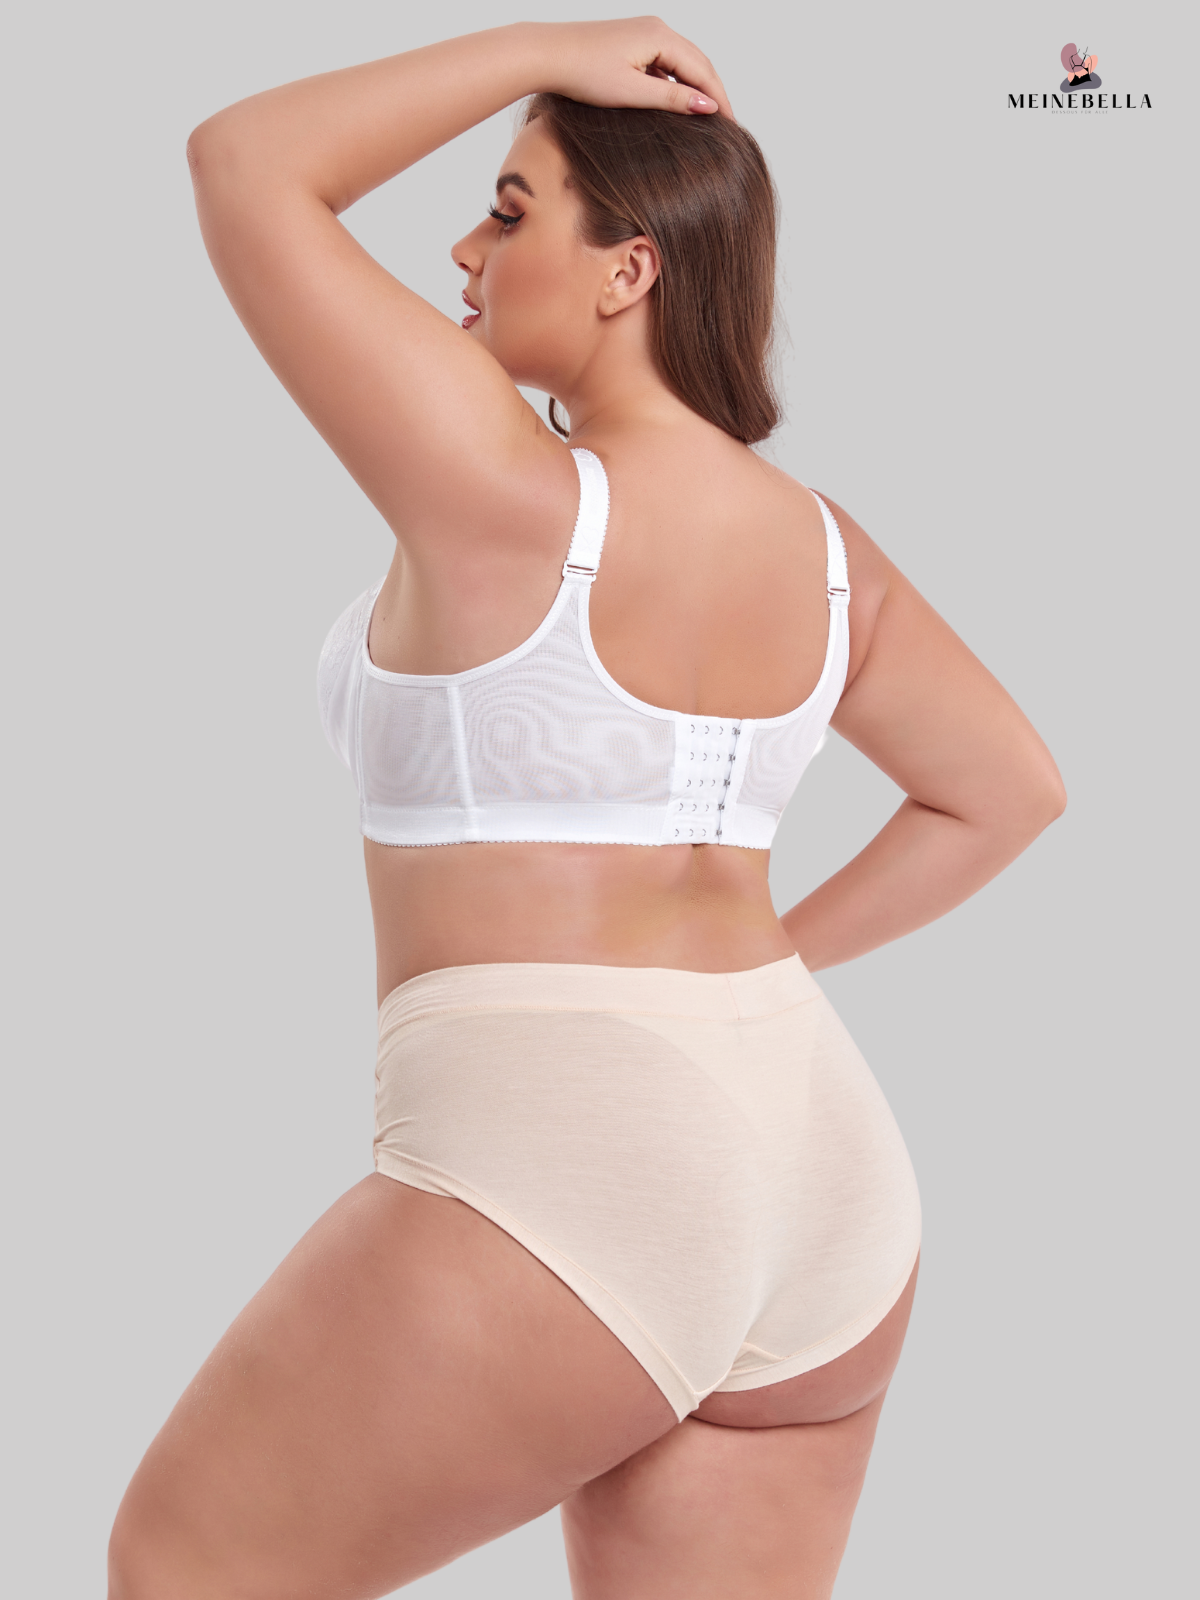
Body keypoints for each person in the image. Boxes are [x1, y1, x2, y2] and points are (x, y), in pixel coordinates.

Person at [108, 18, 1065, 1600]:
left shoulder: (504, 488)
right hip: (821, 1169)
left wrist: (550, 43)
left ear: (629, 271)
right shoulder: (829, 554)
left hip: (571, 1152)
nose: (463, 249)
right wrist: (757, 979)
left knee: (188, 1564)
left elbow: (245, 163)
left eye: (508, 208)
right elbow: (1006, 793)